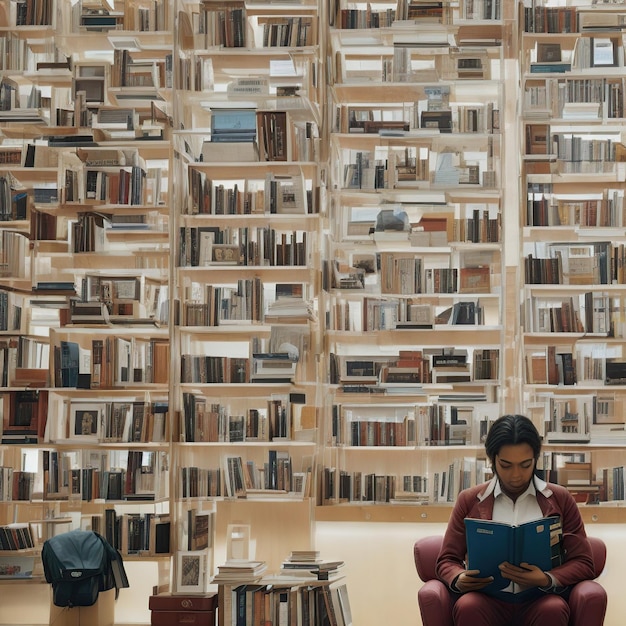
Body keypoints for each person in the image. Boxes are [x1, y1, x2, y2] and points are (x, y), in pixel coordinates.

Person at [436, 413, 595, 626]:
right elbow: (446, 560)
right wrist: (458, 577)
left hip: (539, 597)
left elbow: (584, 562)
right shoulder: (469, 500)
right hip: (487, 597)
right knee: (468, 606)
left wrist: (547, 578)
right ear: (492, 460)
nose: (516, 475)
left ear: (536, 460)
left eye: (525, 464)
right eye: (506, 465)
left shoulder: (560, 499)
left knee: (553, 609)